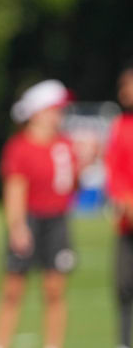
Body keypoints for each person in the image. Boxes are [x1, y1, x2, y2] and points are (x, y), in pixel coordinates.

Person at [0, 79, 77, 348]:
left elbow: (71, 185)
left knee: (54, 290)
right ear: (38, 112)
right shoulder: (21, 146)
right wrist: (17, 226)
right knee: (13, 290)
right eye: (55, 109)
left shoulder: (65, 145)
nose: (59, 115)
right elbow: (15, 188)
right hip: (29, 219)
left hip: (57, 221)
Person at [105, 66, 133, 348]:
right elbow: (114, 171)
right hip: (127, 223)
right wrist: (123, 200)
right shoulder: (121, 127)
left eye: (129, 84)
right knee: (124, 286)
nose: (124, 91)